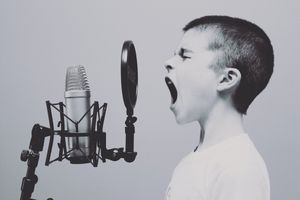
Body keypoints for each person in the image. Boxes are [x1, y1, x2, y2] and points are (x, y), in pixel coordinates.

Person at [164, 15, 274, 200]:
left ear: (226, 79)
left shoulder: (239, 168)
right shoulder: (195, 161)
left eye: (184, 56)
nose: (168, 63)